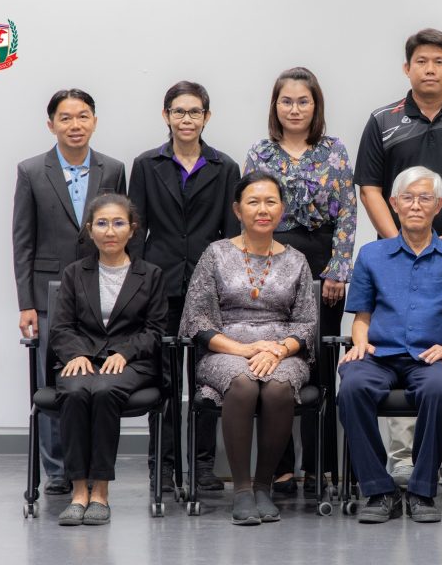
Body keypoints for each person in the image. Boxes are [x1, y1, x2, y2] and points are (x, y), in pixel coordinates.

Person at [354, 27, 442, 490]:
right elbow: (370, 187)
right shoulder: (383, 120)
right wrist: (397, 241)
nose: (430, 69)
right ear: (407, 68)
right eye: (421, 61)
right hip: (397, 250)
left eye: (439, 62)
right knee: (398, 335)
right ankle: (402, 458)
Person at [337, 166, 442, 523]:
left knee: (437, 389)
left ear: (439, 205)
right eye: (407, 198)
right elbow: (361, 317)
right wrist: (359, 344)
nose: (416, 205)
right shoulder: (372, 255)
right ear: (394, 204)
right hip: (380, 355)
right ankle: (380, 490)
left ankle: (422, 491)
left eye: (425, 198)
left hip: (435, 355)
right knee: (352, 386)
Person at [180, 171, 317, 526]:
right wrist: (243, 350)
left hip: (281, 351)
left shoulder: (297, 260)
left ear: (282, 210)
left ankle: (263, 486)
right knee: (242, 383)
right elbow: (197, 320)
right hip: (225, 350)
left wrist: (278, 350)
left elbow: (307, 323)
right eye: (253, 202)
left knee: (278, 387)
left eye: (271, 202)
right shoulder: (216, 254)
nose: (262, 209)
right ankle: (242, 489)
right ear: (237, 209)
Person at [244, 67, 356, 496]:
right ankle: (280, 467)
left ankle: (320, 464)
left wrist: (338, 268)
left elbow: (347, 212)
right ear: (275, 106)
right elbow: (252, 211)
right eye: (286, 101)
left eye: (303, 101)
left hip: (323, 262)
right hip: (272, 258)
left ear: (316, 105)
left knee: (320, 363)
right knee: (275, 358)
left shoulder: (334, 150)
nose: (294, 109)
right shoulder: (260, 153)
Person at [128, 81, 242, 492]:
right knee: (163, 381)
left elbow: (231, 237)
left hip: (209, 290)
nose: (187, 119)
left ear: (206, 117)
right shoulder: (146, 164)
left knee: (206, 381)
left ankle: (203, 465)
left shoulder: (225, 167)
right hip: (160, 288)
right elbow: (135, 230)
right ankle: (162, 467)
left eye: (195, 112)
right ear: (166, 116)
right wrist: (138, 284)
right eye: (179, 111)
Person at [12, 88, 127, 496]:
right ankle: (58, 470)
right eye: (65, 118)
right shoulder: (31, 171)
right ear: (51, 125)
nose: (75, 125)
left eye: (82, 117)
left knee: (92, 380)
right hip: (48, 294)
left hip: (99, 291)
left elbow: (122, 232)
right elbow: (23, 241)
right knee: (54, 381)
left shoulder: (113, 169)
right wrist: (27, 303)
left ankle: (90, 467)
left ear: (94, 121)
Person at [51, 194, 167, 526]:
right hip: (82, 358)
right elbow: (61, 326)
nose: (110, 231)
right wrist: (76, 353)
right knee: (75, 391)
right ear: (90, 230)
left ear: (132, 229)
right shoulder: (75, 273)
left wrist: (125, 353)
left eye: (118, 223)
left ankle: (100, 491)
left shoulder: (151, 274)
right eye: (102, 223)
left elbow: (155, 330)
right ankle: (78, 492)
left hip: (132, 362)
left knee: (104, 391)